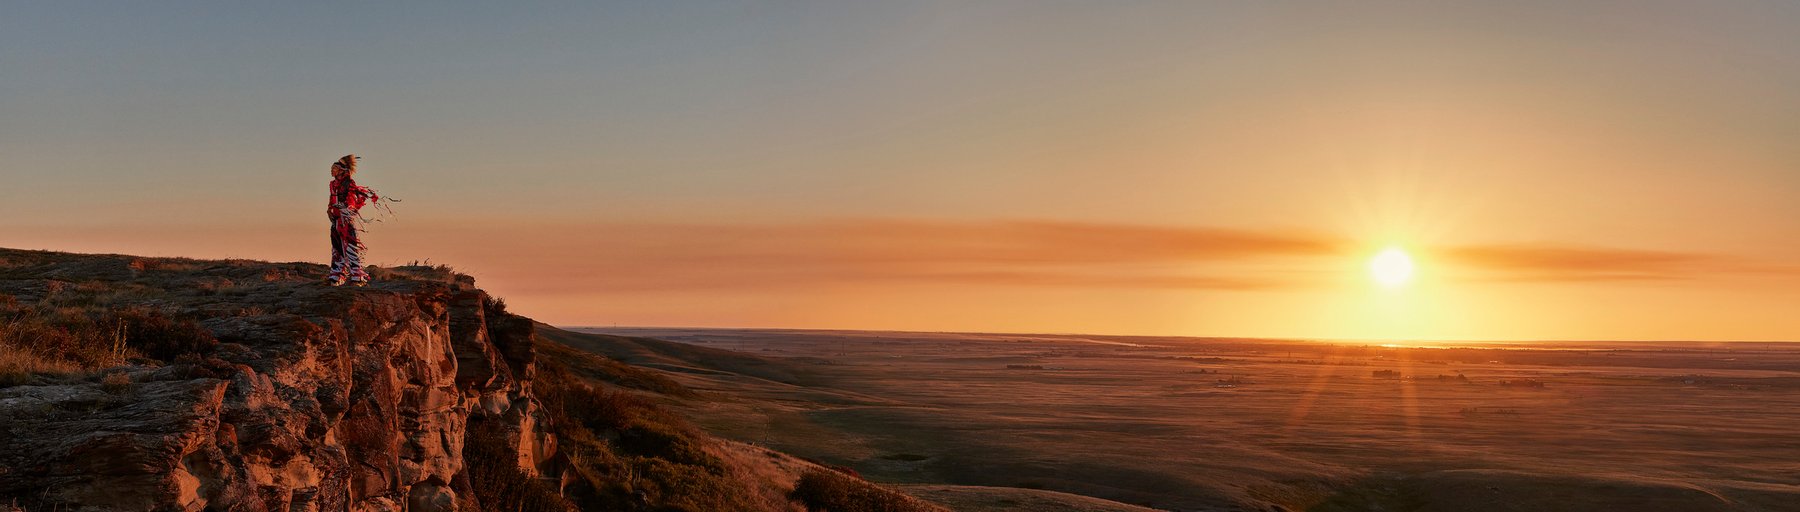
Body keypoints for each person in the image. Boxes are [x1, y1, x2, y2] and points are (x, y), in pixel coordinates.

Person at [327, 154, 380, 286]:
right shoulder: (333, 184)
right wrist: (330, 209)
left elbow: (351, 199)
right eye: (332, 168)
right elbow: (331, 199)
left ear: (342, 170)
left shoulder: (348, 183)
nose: (332, 170)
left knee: (350, 247)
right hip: (336, 219)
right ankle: (336, 275)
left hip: (346, 219)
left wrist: (345, 208)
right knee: (337, 247)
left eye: (335, 168)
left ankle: (357, 276)